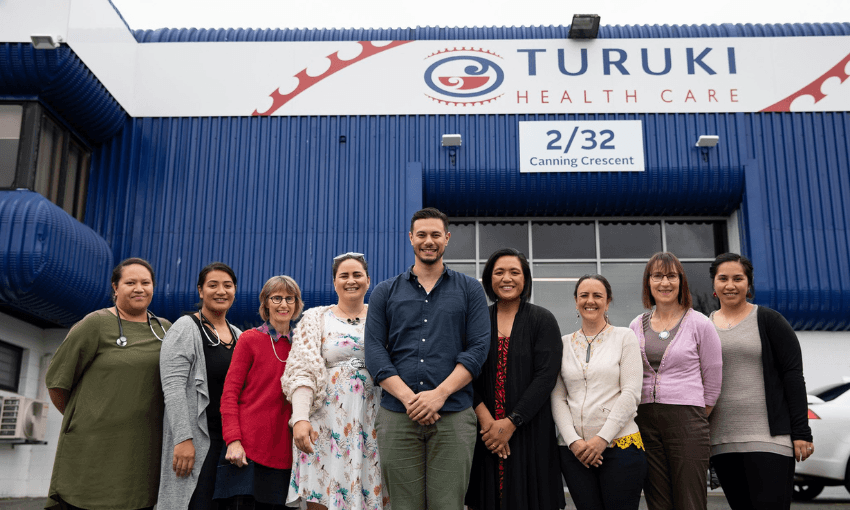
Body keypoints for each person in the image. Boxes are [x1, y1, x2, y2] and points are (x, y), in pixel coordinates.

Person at [364, 207, 490, 510]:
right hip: (397, 414)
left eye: (436, 234)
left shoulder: (471, 290)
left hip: (454, 415)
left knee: (448, 504)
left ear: (446, 238)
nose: (428, 240)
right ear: (411, 238)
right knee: (403, 505)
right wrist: (411, 399)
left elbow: (477, 350)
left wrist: (439, 395)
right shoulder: (384, 292)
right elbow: (375, 352)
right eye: (422, 234)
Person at [45, 257, 171, 510]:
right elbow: (58, 382)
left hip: (141, 452)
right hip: (92, 450)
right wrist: (86, 417)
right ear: (115, 287)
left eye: (146, 282)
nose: (139, 288)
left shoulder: (165, 330)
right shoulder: (95, 324)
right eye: (130, 282)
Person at [707, 253, 814, 510]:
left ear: (749, 284)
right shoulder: (703, 325)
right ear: (714, 284)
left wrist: (801, 433)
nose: (730, 285)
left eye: (738, 278)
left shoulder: (769, 321)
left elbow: (793, 377)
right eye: (723, 278)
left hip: (769, 439)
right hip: (722, 440)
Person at [282, 252, 387, 510]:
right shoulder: (316, 318)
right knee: (322, 492)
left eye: (357, 275)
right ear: (334, 283)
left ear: (368, 280)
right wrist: (301, 418)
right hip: (324, 423)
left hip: (371, 422)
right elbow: (301, 371)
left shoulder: (383, 317)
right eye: (344, 276)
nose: (351, 281)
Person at [465, 249, 565, 510]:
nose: (506, 278)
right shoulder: (476, 321)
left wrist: (511, 423)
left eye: (514, 272)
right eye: (499, 272)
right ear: (489, 279)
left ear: (525, 278)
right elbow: (464, 372)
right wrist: (488, 423)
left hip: (529, 428)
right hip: (485, 432)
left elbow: (546, 376)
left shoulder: (542, 320)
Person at [629, 252, 722, 510]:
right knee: (657, 499)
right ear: (648, 282)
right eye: (657, 276)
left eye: (671, 276)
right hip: (645, 419)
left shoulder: (700, 323)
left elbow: (713, 380)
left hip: (687, 420)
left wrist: (695, 413)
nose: (665, 283)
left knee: (689, 499)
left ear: (681, 282)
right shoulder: (636, 325)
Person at [551, 274, 645, 510]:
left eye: (597, 295)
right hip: (575, 453)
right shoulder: (562, 344)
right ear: (575, 301)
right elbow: (557, 397)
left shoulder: (625, 337)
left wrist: (602, 439)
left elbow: (631, 393)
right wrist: (573, 441)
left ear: (608, 301)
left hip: (620, 447)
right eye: (584, 295)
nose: (590, 301)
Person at [158, 262, 242, 510]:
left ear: (235, 291)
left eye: (227, 285)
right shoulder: (185, 328)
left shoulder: (238, 335)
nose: (221, 291)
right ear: (200, 290)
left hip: (228, 444)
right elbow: (172, 388)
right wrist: (183, 439)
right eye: (213, 285)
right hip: (196, 441)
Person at [216, 275, 303, 509]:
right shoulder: (249, 340)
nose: (283, 304)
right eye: (276, 298)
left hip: (286, 454)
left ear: (296, 304)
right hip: (247, 452)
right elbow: (229, 395)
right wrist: (233, 440)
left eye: (289, 298)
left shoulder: (302, 346)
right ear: (265, 303)